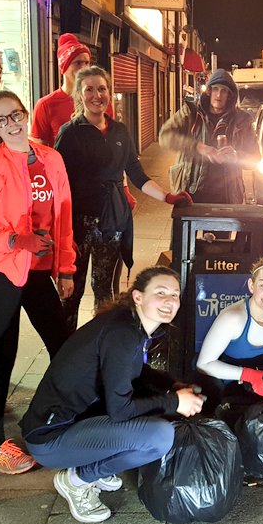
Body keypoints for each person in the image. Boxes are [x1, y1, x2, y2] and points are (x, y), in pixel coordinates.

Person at [21, 267, 204, 524]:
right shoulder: (123, 333)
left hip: (75, 422)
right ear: (138, 296)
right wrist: (175, 402)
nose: (169, 301)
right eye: (160, 293)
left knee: (152, 408)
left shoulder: (128, 323)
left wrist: (172, 385)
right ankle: (77, 480)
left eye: (174, 294)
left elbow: (133, 371)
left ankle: (92, 461)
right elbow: (120, 410)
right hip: (50, 439)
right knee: (160, 436)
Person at [0, 89, 76, 475]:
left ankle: (62, 416)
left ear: (25, 114)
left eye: (15, 114)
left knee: (63, 347)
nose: (11, 124)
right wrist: (16, 240)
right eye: (1, 120)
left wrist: (66, 268)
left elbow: (64, 216)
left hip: (40, 272)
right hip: (2, 272)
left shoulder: (51, 159)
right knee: (4, 354)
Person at [55, 66, 192, 329]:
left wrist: (167, 196)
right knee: (72, 289)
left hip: (113, 220)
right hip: (78, 223)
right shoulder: (70, 133)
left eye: (102, 89)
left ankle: (101, 341)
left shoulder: (120, 131)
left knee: (104, 288)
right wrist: (60, 228)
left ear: (110, 93)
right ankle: (64, 346)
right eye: (89, 89)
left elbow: (137, 174)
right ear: (79, 95)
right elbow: (57, 181)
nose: (97, 95)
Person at [196, 257, 263, 408]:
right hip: (226, 371)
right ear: (251, 285)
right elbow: (204, 364)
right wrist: (249, 376)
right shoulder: (233, 317)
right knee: (214, 391)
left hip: (261, 368)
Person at [159, 68, 259, 204]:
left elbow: (255, 159)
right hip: (192, 193)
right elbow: (165, 136)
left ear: (230, 95)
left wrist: (236, 155)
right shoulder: (191, 112)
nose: (219, 94)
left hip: (227, 197)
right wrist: (198, 147)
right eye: (215, 89)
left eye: (224, 91)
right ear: (209, 91)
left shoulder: (241, 120)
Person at [30, 33, 92, 146]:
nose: (84, 68)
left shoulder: (99, 100)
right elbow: (38, 149)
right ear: (64, 66)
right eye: (78, 63)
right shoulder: (45, 105)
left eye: (87, 63)